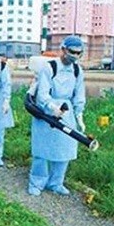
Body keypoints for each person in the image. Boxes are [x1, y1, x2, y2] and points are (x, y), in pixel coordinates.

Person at [28, 35, 86, 196]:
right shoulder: (49, 67)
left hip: (67, 112)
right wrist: (52, 107)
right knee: (42, 149)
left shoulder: (77, 70)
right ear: (63, 49)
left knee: (64, 149)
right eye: (72, 52)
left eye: (78, 53)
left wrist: (79, 114)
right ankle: (37, 182)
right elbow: (42, 93)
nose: (75, 56)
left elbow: (79, 94)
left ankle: (56, 183)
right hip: (47, 113)